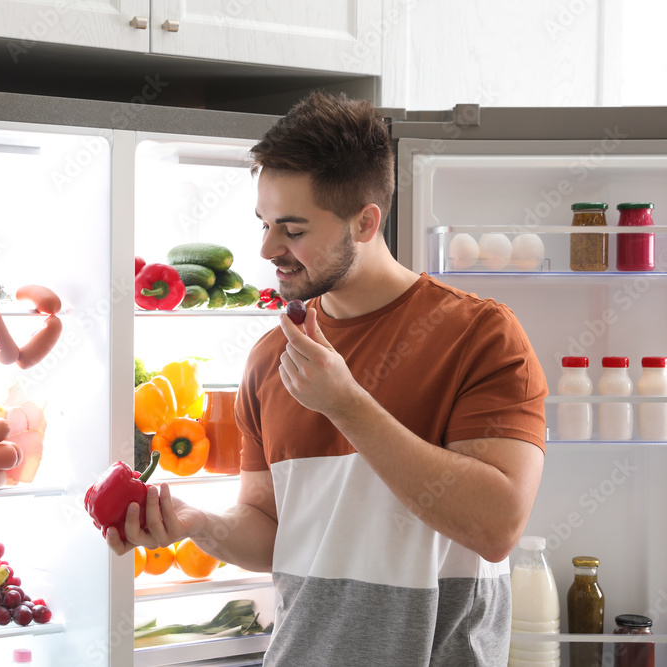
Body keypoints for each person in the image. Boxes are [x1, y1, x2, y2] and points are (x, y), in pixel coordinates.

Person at [107, 91, 547, 666]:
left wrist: (347, 405)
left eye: (292, 229)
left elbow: (497, 526)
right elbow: (269, 529)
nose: (267, 249)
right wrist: (198, 524)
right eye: (264, 224)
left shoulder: (479, 336)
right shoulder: (271, 358)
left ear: (365, 222)